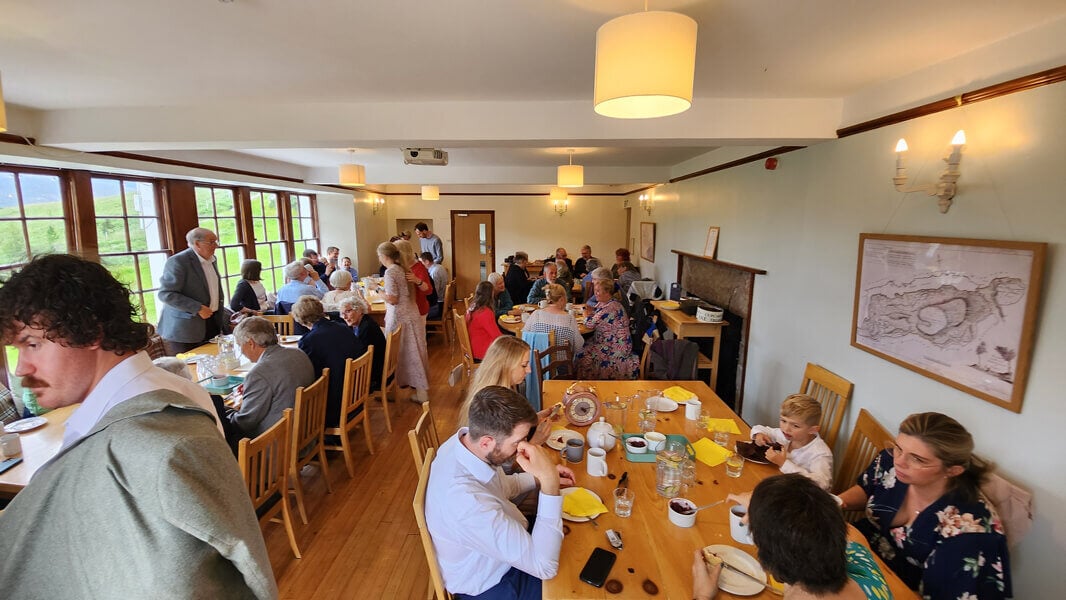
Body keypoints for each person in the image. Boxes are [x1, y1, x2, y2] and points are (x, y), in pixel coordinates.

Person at [0, 254, 274, 598]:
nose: (22, 368)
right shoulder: (169, 403)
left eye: (33, 344)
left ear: (90, 332)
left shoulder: (160, 445)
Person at [836, 412, 1011, 599]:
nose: (900, 462)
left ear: (952, 470)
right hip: (857, 557)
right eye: (898, 448)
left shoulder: (968, 532)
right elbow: (866, 489)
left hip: (900, 589)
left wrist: (866, 573)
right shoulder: (891, 463)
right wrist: (836, 503)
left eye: (917, 459)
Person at [426, 385, 574, 599]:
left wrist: (538, 476)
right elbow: (544, 567)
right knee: (575, 582)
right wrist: (549, 485)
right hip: (493, 583)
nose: (522, 448)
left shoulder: (465, 444)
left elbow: (501, 486)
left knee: (576, 539)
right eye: (517, 442)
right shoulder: (464, 502)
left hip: (503, 554)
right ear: (487, 442)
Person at [693, 474, 892, 600]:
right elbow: (850, 532)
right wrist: (764, 506)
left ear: (772, 566)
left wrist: (702, 595)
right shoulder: (861, 561)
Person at [228, 316, 314, 439]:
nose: (241, 351)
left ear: (251, 343)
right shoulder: (298, 353)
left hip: (277, 446)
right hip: (307, 433)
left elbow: (245, 423)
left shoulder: (259, 374)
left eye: (240, 345)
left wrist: (227, 412)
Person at [292, 295, 367, 426]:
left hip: (335, 403)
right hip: (355, 393)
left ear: (300, 320)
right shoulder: (342, 327)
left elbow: (310, 375)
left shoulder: (309, 341)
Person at [156, 227, 230, 355]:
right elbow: (166, 294)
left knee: (214, 364)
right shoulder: (178, 261)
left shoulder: (212, 260)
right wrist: (198, 308)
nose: (216, 245)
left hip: (212, 322)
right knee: (190, 371)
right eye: (211, 242)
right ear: (197, 244)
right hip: (185, 328)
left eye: (216, 241)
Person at [378, 241, 430, 403]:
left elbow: (393, 299)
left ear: (384, 256)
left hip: (400, 316)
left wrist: (379, 292)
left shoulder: (391, 272)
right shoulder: (403, 268)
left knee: (396, 355)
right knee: (413, 353)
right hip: (411, 313)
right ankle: (418, 391)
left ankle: (394, 389)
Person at [749, 393, 834, 490]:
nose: (786, 428)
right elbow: (759, 428)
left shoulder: (820, 453)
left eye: (795, 426)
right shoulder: (785, 435)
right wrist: (759, 435)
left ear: (812, 430)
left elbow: (822, 483)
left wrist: (783, 463)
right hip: (781, 484)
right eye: (783, 421)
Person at [456, 336, 532, 427]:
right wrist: (536, 438)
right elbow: (506, 440)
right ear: (505, 366)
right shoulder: (494, 404)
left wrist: (536, 418)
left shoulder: (500, 388)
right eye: (524, 365)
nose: (529, 370)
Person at [576, 278, 639, 379]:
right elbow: (597, 313)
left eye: (598, 291)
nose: (595, 293)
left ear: (607, 293)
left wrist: (585, 314)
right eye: (595, 290)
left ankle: (588, 382)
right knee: (583, 344)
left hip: (617, 346)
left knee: (581, 353)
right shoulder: (609, 302)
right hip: (612, 341)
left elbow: (590, 324)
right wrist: (591, 312)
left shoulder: (610, 307)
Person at [522, 283, 583, 358]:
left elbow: (524, 338)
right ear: (561, 299)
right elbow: (578, 346)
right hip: (562, 366)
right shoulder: (569, 319)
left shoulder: (536, 314)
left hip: (537, 364)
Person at [338, 296, 386, 390]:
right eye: (342, 314)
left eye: (348, 312)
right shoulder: (362, 322)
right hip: (375, 366)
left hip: (374, 374)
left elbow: (361, 355)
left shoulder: (367, 328)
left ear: (359, 310)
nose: (344, 317)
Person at [397, 239, 434, 321]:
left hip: (418, 309)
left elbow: (428, 290)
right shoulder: (401, 267)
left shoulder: (419, 267)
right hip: (406, 310)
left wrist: (416, 280)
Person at [466, 280, 502, 361]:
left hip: (472, 347)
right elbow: (497, 336)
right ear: (491, 295)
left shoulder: (472, 306)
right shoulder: (485, 312)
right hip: (481, 352)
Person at [422, 251, 450, 319]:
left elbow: (434, 293)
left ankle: (428, 327)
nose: (421, 264)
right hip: (443, 302)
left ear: (427, 262)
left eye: (422, 262)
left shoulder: (434, 273)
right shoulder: (440, 267)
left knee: (419, 313)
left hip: (439, 305)